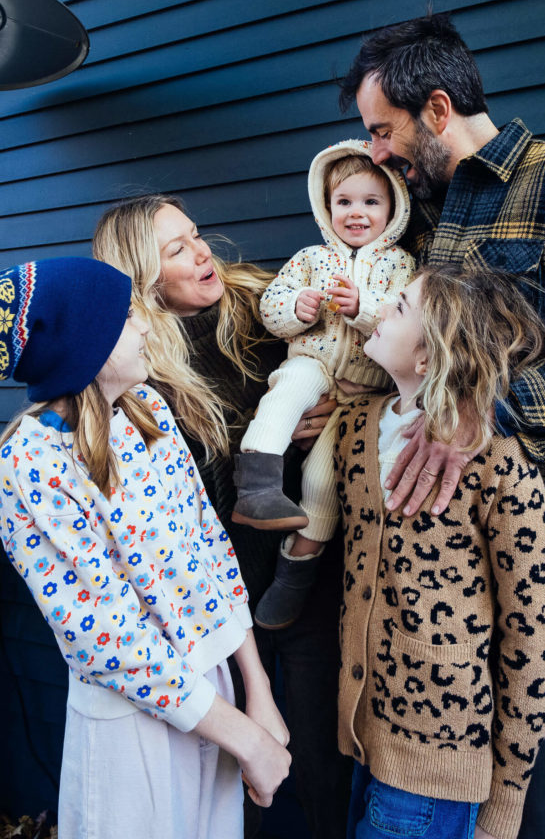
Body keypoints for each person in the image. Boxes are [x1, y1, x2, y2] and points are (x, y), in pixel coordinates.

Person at [338, 12, 545, 839]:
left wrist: (486, 410)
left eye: (381, 131)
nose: (375, 154)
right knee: (440, 798)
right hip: (439, 568)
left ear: (436, 109)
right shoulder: (414, 219)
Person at [0, 257, 290, 839]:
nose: (145, 325)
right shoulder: (30, 464)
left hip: (218, 691)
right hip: (137, 720)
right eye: (128, 315)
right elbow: (102, 638)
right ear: (86, 343)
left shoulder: (147, 412)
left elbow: (209, 548)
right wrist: (244, 739)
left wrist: (257, 690)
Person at [92, 196, 352, 839]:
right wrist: (263, 443)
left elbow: (349, 356)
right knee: (238, 764)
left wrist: (333, 405)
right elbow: (174, 495)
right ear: (138, 276)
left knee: (324, 753)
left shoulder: (267, 307)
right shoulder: (134, 363)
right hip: (217, 594)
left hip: (305, 565)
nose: (203, 251)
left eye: (197, 235)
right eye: (176, 249)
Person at [336, 265, 545, 839]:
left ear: (430, 360)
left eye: (402, 306)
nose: (383, 306)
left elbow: (533, 637)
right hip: (363, 741)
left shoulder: (497, 461)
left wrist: (507, 803)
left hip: (439, 769)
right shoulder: (356, 429)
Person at [237, 140, 415, 629]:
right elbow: (271, 309)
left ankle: (294, 573)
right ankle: (256, 485)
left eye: (370, 202)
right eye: (344, 202)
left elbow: (407, 327)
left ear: (393, 208)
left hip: (362, 393)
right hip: (312, 363)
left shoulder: (401, 266)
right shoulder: (311, 258)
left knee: (323, 480)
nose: (356, 214)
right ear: (326, 206)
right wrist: (297, 309)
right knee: (287, 391)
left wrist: (363, 308)